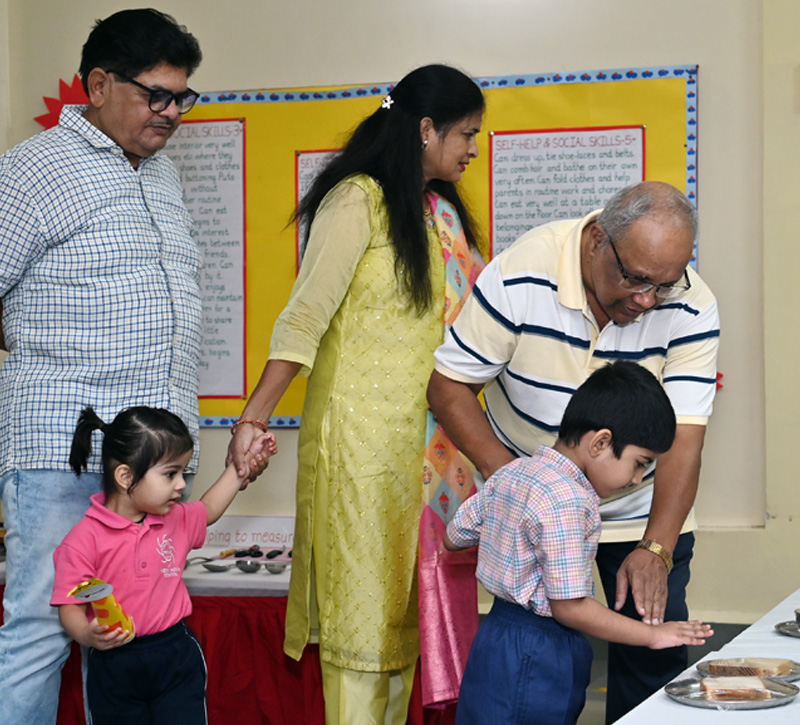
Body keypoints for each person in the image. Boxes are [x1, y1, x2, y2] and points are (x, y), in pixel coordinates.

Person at [226, 64, 486, 723]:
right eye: (466, 133)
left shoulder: (442, 214)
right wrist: (253, 418)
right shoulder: (357, 200)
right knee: (360, 627)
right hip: (361, 453)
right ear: (425, 129)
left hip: (429, 452)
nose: (473, 149)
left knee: (404, 627)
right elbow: (304, 317)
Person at [427, 180, 720, 723]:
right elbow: (448, 386)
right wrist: (517, 482)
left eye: (663, 285)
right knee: (535, 679)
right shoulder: (522, 271)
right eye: (634, 279)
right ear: (597, 241)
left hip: (643, 517)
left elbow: (684, 437)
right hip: (538, 510)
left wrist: (656, 548)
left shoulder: (693, 303)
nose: (646, 300)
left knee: (650, 670)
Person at [0, 10, 207, 724]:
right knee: (41, 628)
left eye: (182, 96)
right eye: (157, 94)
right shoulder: (32, 170)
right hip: (62, 448)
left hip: (152, 455)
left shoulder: (164, 175)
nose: (171, 112)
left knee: (128, 632)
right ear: (97, 84)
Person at [444, 361, 713, 725]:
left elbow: (454, 536)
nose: (637, 479)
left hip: (493, 638)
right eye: (639, 463)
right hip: (539, 649)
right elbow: (569, 608)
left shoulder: (512, 472)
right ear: (600, 442)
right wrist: (651, 635)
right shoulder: (568, 500)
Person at [50, 406, 275, 723]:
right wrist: (86, 635)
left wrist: (242, 467)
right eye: (171, 474)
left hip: (176, 655)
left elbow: (209, 508)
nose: (181, 484)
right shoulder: (82, 540)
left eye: (183, 472)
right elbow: (70, 607)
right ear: (126, 476)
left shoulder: (175, 519)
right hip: (114, 666)